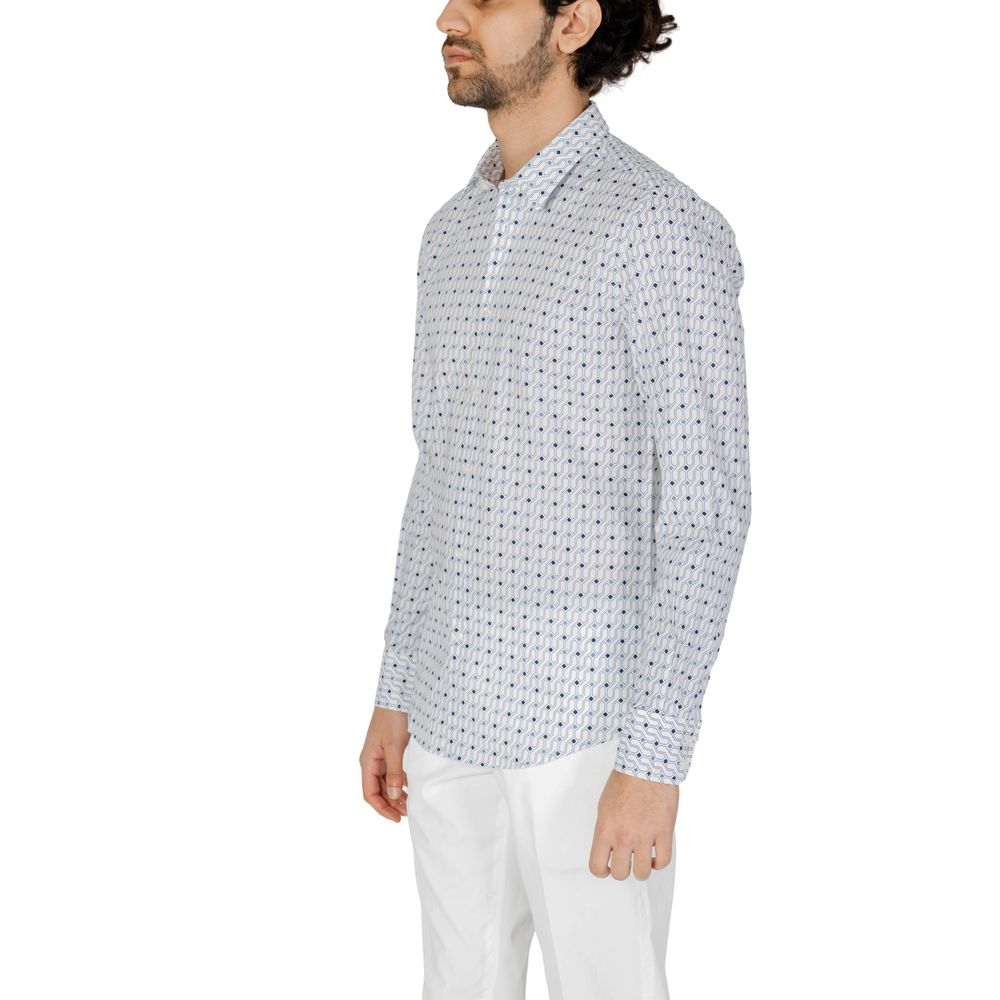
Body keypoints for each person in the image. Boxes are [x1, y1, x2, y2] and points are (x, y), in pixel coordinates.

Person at [359, 2, 752, 996]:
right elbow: (436, 477)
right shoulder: (448, 235)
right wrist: (395, 690)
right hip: (448, 710)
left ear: (572, 20)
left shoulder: (659, 227)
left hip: (589, 725)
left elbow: (706, 514)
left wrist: (653, 759)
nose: (447, 16)